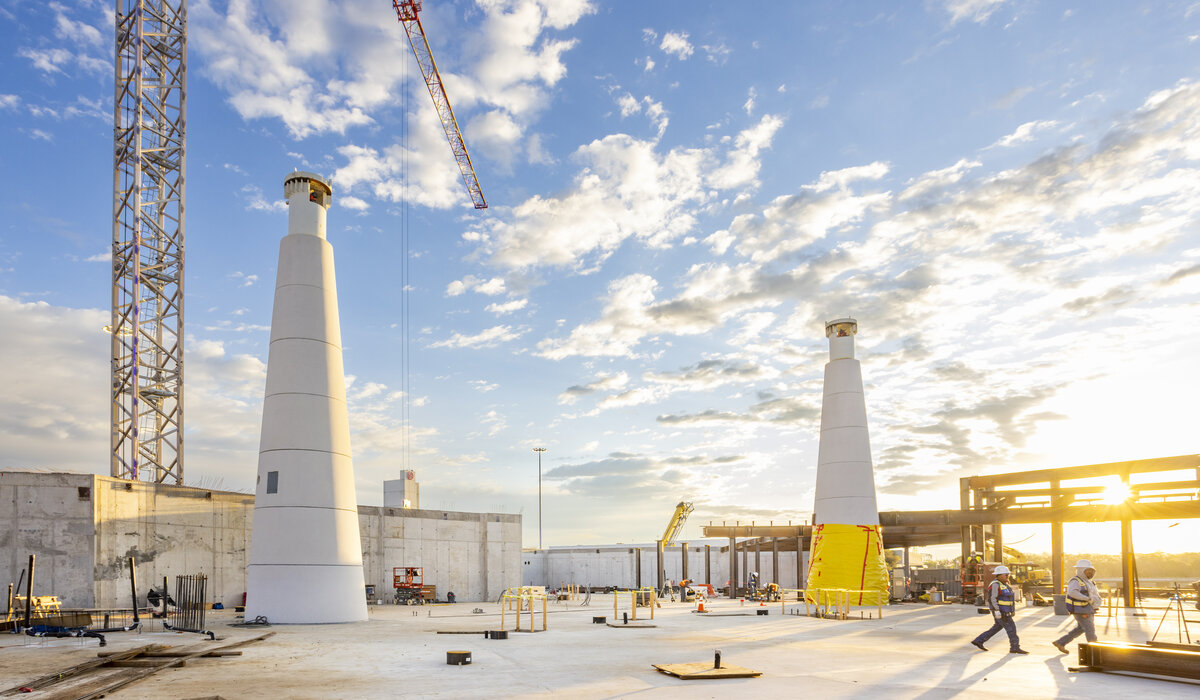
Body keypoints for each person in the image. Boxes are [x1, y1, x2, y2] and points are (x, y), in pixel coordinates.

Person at [970, 565, 1028, 654]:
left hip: (1005, 611)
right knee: (1011, 628)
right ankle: (1014, 647)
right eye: (1006, 575)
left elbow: (1010, 599)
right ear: (1000, 575)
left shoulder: (1005, 585)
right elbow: (992, 599)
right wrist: (997, 610)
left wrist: (1012, 611)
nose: (1008, 576)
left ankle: (979, 640)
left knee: (997, 627)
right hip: (1001, 612)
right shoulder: (995, 585)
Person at [1053, 559, 1102, 653]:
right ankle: (1095, 650)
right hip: (1081, 610)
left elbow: (1093, 594)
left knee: (1080, 629)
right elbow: (1072, 592)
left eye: (1091, 571)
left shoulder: (1089, 582)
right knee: (1090, 629)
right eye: (1088, 571)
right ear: (1081, 570)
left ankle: (1061, 642)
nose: (1090, 573)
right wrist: (1086, 598)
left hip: (1089, 609)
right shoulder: (1075, 581)